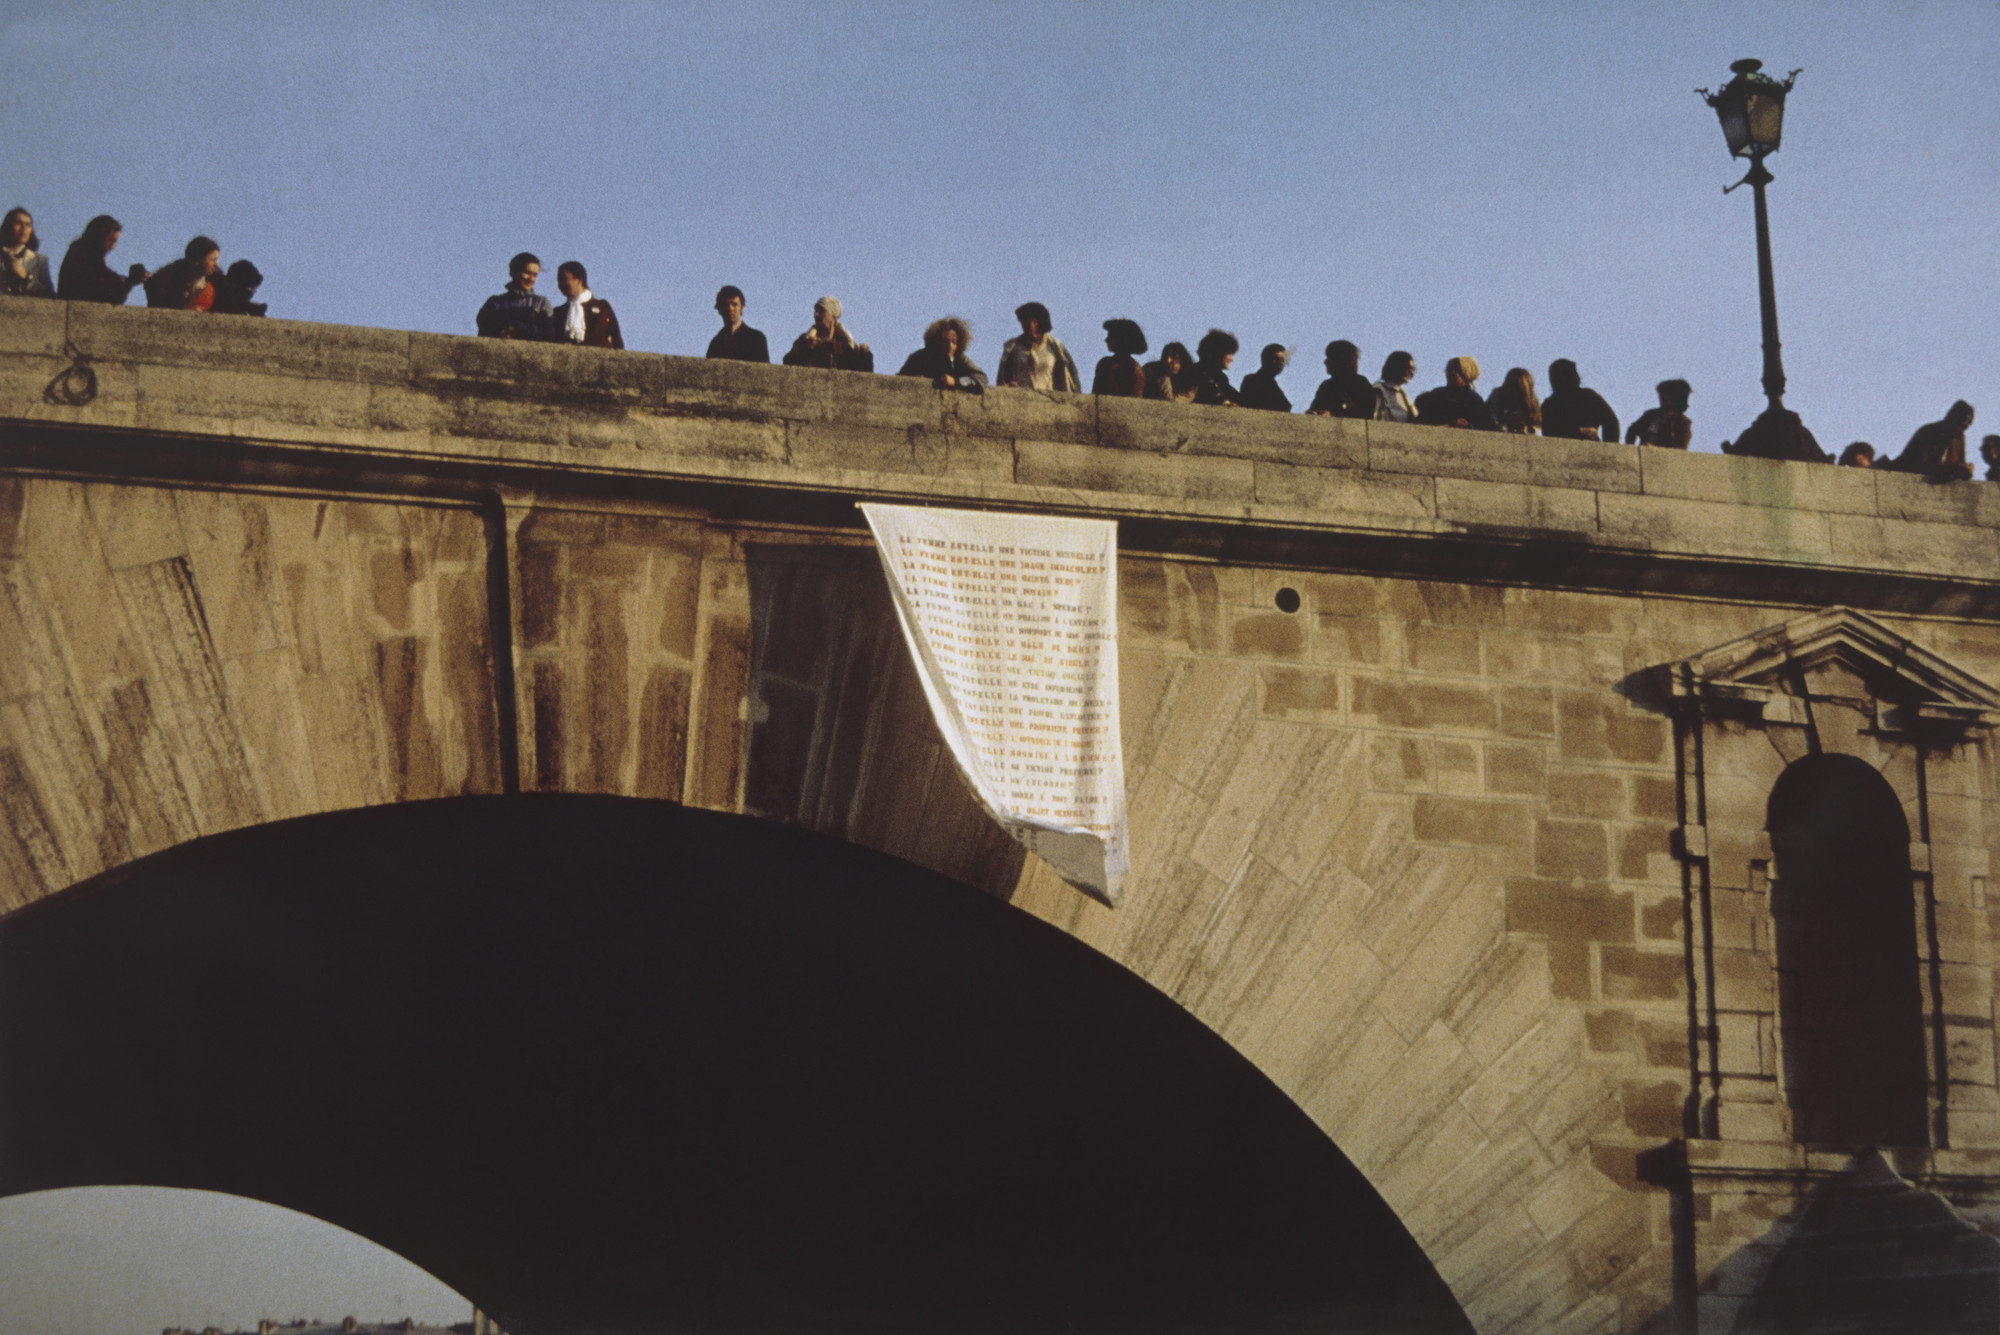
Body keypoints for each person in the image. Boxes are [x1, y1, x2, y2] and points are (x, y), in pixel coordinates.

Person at [57, 214, 148, 304]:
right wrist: (125, 283)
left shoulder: (92, 257)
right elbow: (99, 289)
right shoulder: (80, 252)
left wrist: (130, 282)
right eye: (111, 240)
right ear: (100, 235)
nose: (112, 247)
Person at [996, 302, 1081, 391]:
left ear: (1037, 322)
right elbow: (1003, 379)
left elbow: (1070, 378)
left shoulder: (1055, 347)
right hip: (1021, 397)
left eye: (1028, 322)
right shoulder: (1013, 348)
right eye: (1022, 322)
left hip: (1048, 397)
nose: (1024, 326)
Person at [1885, 401, 1976, 481]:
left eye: (1966, 427)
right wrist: (1950, 469)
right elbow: (1916, 466)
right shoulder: (1928, 432)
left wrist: (1966, 469)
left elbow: (1960, 464)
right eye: (1960, 425)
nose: (1961, 431)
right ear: (1951, 419)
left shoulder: (1958, 438)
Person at [476, 252, 553, 340]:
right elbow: (484, 330)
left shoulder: (541, 303)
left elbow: (548, 332)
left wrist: (518, 331)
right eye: (527, 273)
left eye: (535, 275)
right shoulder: (494, 303)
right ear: (513, 272)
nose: (531, 279)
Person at [783, 296, 873, 371]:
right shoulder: (805, 339)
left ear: (832, 315)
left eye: (821, 311)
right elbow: (787, 362)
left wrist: (865, 355)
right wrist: (806, 348)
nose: (816, 314)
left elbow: (863, 372)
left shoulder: (846, 344)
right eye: (815, 311)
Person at [896, 316, 986, 391]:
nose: (950, 346)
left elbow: (981, 378)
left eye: (954, 342)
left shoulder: (959, 359)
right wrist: (914, 380)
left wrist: (956, 381)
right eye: (945, 342)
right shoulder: (919, 357)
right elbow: (898, 381)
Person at [1540, 359, 1620, 442]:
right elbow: (1548, 431)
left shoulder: (1589, 397)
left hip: (1589, 447)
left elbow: (1611, 422)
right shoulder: (1549, 405)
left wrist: (1608, 447)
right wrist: (1579, 431)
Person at [550, 261, 623, 349]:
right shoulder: (558, 312)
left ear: (579, 280)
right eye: (559, 280)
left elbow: (616, 339)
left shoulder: (602, 306)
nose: (560, 284)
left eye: (564, 279)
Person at [1415, 356, 1498, 431]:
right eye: (1449, 370)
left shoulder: (1476, 402)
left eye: (1456, 370)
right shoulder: (1435, 396)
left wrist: (1468, 426)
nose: (1451, 374)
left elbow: (1484, 428)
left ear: (1466, 373)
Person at [143, 236, 222, 311]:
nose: (216, 265)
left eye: (217, 260)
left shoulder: (218, 284)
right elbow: (157, 306)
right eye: (212, 260)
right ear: (197, 260)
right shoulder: (167, 280)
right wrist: (184, 310)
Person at [1307, 341, 1375, 418]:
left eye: (1330, 358)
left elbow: (1365, 414)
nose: (1325, 362)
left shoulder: (1360, 384)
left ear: (1341, 360)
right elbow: (1315, 411)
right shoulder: (1326, 386)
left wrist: (1332, 414)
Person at [706, 285, 769, 363]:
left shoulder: (756, 338)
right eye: (725, 305)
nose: (730, 308)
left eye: (734, 304)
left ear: (741, 308)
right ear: (719, 309)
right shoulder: (715, 344)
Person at [1, 207, 54, 298]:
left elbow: (49, 295)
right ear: (8, 226)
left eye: (28, 225)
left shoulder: (40, 261)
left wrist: (26, 276)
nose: (24, 228)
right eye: (18, 223)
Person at [1626, 380, 1693, 449]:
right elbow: (1632, 430)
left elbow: (1681, 448)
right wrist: (1630, 449)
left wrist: (1655, 449)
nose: (1661, 398)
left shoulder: (1683, 423)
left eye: (1666, 396)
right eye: (1661, 396)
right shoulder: (1651, 415)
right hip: (1643, 454)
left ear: (1676, 399)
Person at [1092, 318, 1148, 397]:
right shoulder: (1105, 364)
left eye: (1110, 336)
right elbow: (1096, 396)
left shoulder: (1134, 369)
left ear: (1121, 339)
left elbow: (1135, 399)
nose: (1106, 340)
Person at [1191, 329, 1241, 406]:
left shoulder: (1221, 378)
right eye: (1230, 353)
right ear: (1218, 353)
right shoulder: (1195, 373)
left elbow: (1238, 398)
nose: (1232, 359)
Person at [1236, 344, 1291, 412]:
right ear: (1265, 359)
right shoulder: (1252, 380)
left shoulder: (1271, 383)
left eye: (1282, 360)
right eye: (1275, 358)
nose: (1280, 363)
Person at [1487, 367, 1542, 435]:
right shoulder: (1498, 395)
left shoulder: (1531, 401)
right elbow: (1492, 419)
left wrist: (1525, 428)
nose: (1514, 389)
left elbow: (1535, 425)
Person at [1373, 351, 1417, 423]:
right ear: (1396, 366)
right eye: (1408, 368)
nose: (1411, 373)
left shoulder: (1403, 395)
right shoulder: (1378, 390)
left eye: (1412, 369)